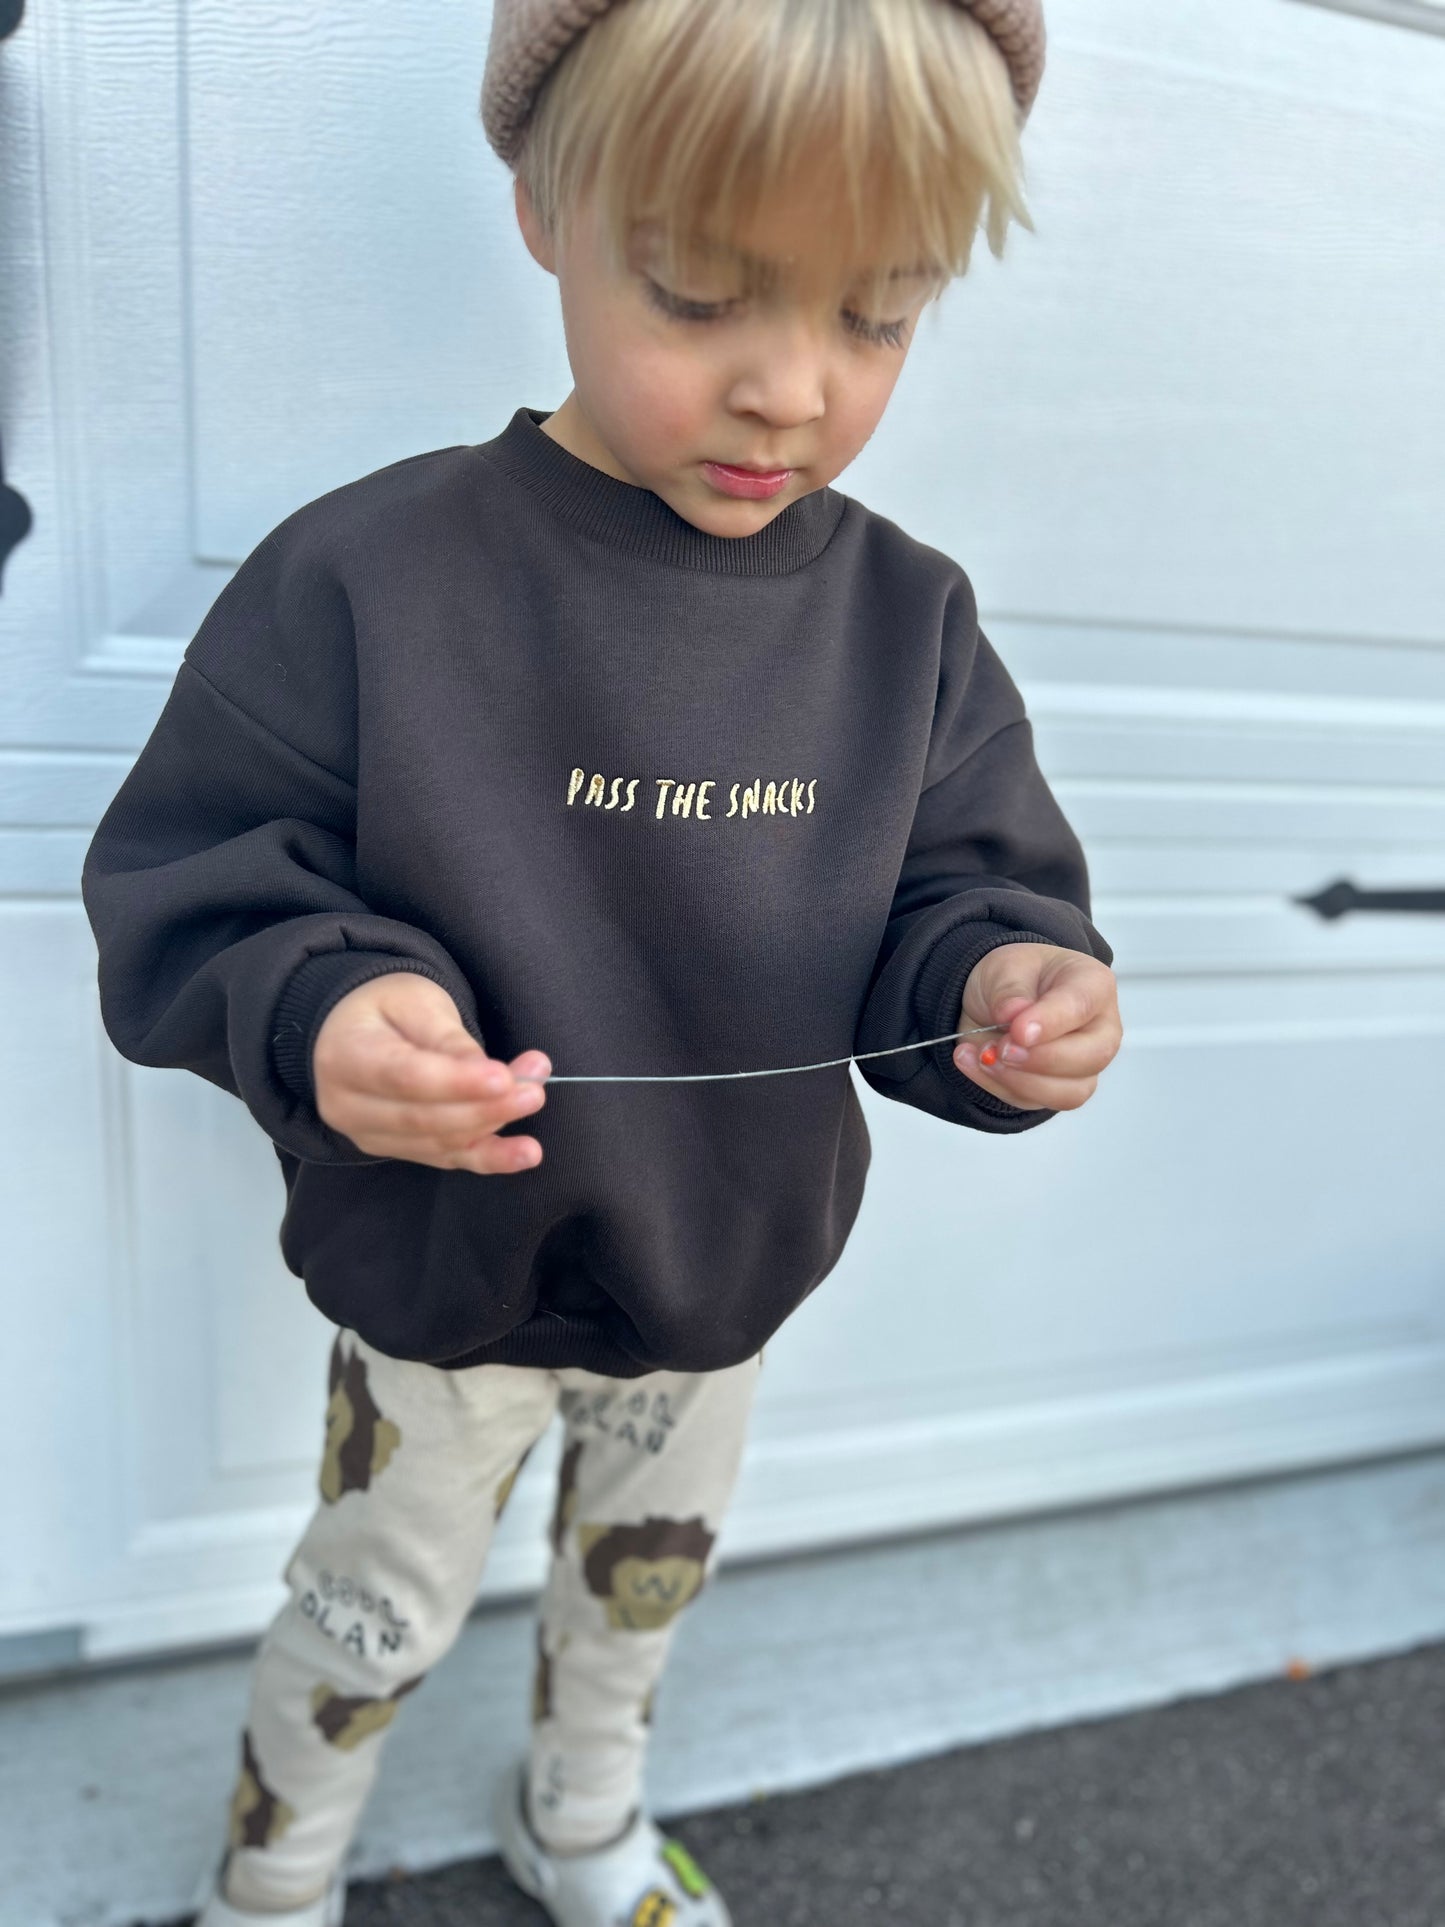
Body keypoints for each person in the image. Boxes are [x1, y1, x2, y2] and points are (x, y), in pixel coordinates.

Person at [81, 1, 1122, 1921]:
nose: (788, 393)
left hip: (717, 1272)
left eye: (874, 317)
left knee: (637, 1595)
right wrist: (324, 1009)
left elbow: (954, 901)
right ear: (546, 208)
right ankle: (273, 1878)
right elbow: (196, 877)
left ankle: (578, 1824)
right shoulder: (371, 579)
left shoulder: (908, 624)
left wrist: (1003, 992)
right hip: (440, 1281)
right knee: (364, 1612)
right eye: (703, 295)